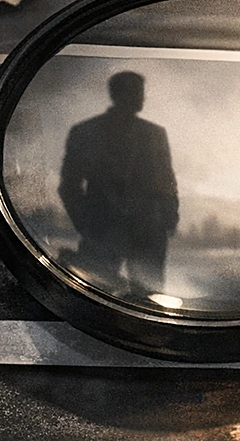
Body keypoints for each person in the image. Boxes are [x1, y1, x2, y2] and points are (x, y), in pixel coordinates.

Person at [59, 71, 178, 299]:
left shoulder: (155, 134)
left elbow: (167, 180)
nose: (142, 98)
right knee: (95, 296)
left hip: (148, 231)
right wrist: (86, 223)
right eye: (137, 92)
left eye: (141, 92)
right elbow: (69, 185)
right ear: (118, 94)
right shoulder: (86, 132)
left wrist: (168, 218)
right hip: (103, 230)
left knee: (148, 301)